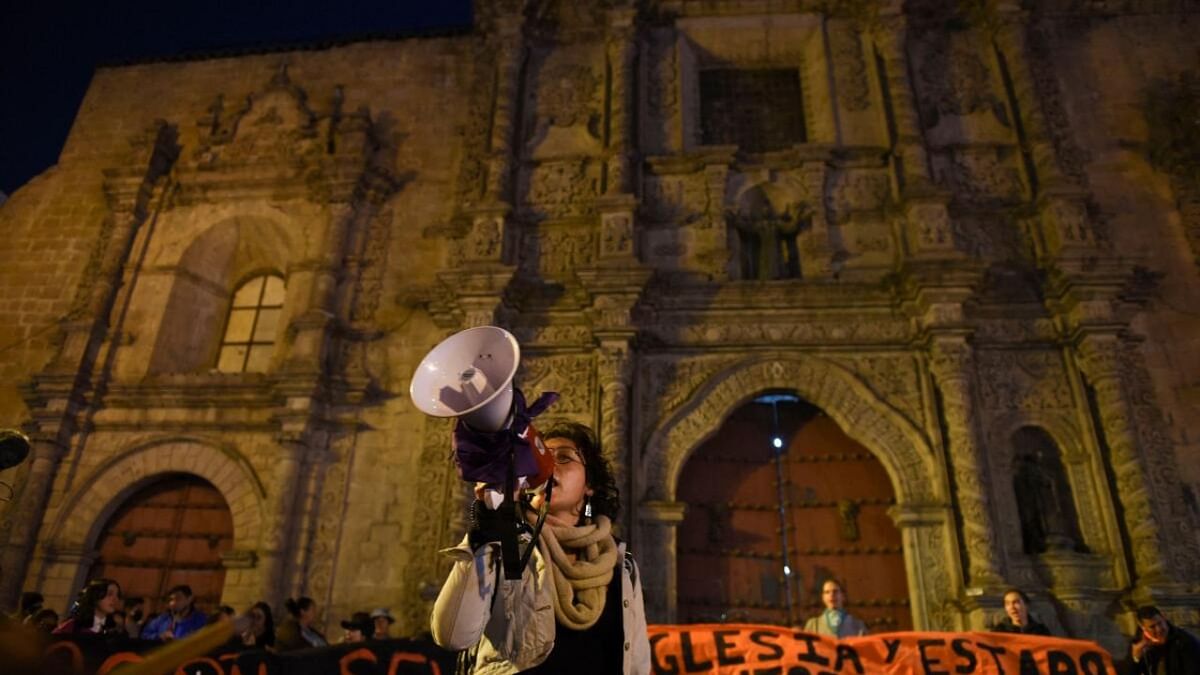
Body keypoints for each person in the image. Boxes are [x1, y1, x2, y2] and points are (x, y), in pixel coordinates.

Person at [431, 421, 651, 674]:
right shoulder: (501, 544)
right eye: (539, 456)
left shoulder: (621, 564)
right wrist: (486, 533)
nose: (545, 465)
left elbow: (637, 662)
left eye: (564, 458)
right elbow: (451, 635)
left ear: (589, 485)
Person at [1122, 605, 1200, 674]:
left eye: (1160, 623)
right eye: (1152, 627)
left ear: (1163, 617)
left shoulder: (1184, 641)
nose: (1159, 629)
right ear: (1142, 627)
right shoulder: (1137, 643)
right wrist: (1136, 658)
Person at [52, 578, 123, 634]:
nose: (115, 599)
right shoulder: (72, 627)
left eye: (117, 595)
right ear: (95, 596)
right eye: (109, 594)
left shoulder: (115, 630)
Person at [802, 579, 868, 637]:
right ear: (823, 598)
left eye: (835, 591)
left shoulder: (857, 624)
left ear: (843, 596)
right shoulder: (813, 625)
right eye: (827, 592)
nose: (831, 595)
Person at [140, 585, 207, 641]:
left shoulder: (200, 620)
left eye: (178, 598)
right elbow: (144, 635)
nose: (173, 603)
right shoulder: (163, 619)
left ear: (189, 599)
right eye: (171, 599)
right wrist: (159, 636)